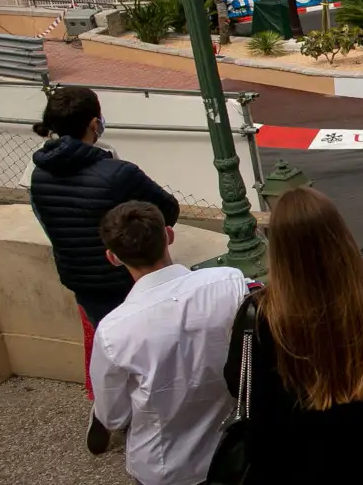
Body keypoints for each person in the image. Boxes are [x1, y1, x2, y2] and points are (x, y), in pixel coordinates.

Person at [28, 87, 181, 454]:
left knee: (106, 343)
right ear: (95, 123)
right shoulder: (117, 174)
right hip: (126, 280)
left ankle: (107, 404)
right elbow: (166, 210)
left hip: (82, 282)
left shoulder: (39, 176)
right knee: (152, 351)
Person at [230, 189, 363, 485]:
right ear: (338, 235)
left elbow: (239, 384)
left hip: (286, 469)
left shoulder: (260, 316)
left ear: (280, 249)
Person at [90, 202, 252, 485]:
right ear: (169, 235)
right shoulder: (229, 282)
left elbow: (112, 417)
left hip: (165, 467)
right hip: (235, 450)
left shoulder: (112, 331)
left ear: (112, 257)